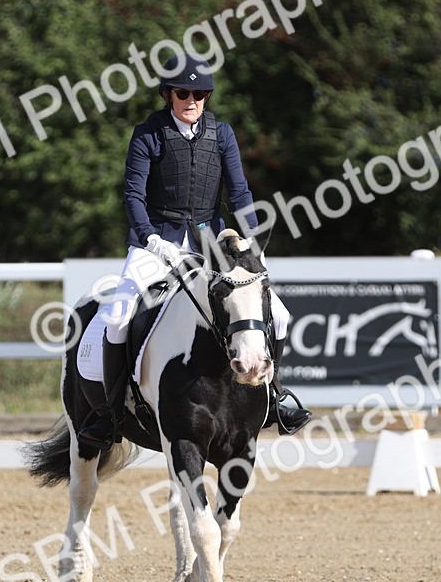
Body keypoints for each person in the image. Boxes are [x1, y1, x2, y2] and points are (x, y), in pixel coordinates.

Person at [78, 52, 312, 449]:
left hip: (211, 243)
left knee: (281, 314)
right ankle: (111, 413)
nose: (192, 101)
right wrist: (151, 239)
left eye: (199, 94)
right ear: (168, 94)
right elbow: (133, 195)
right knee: (117, 318)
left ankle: (274, 397)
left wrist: (252, 242)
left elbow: (239, 193)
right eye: (183, 93)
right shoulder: (148, 134)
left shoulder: (222, 135)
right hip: (156, 241)